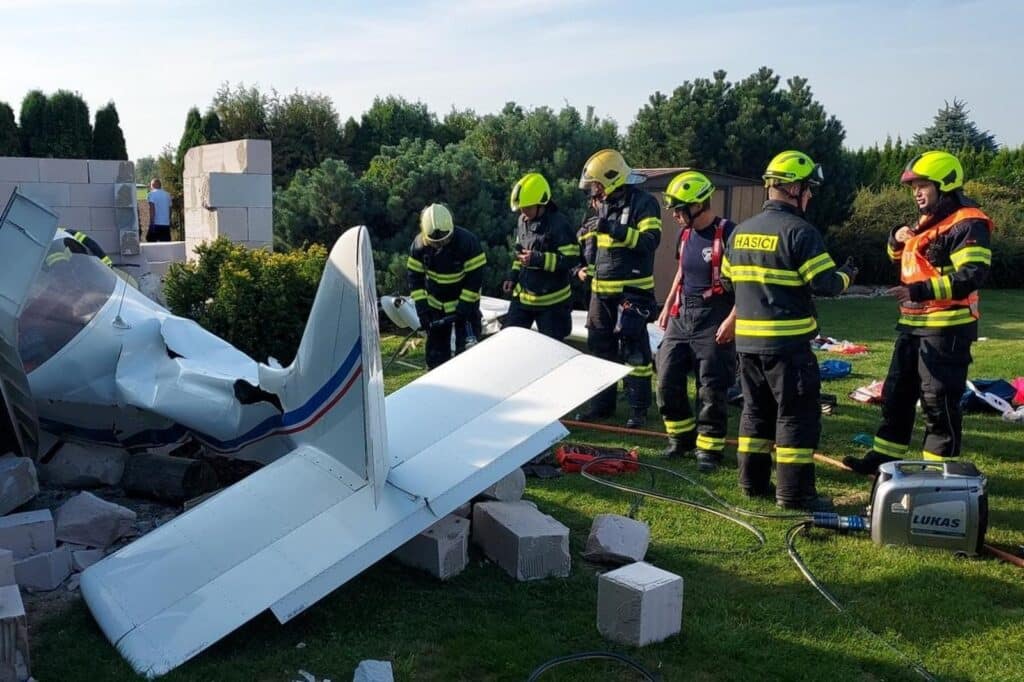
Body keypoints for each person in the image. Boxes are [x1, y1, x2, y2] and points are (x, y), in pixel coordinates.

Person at [721, 150, 857, 511]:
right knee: (796, 415)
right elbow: (825, 283)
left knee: (755, 411)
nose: (810, 196)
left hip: (748, 345)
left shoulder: (740, 233)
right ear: (793, 188)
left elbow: (726, 279)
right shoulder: (800, 232)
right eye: (808, 188)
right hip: (788, 346)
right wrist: (848, 274)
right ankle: (794, 494)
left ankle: (751, 483)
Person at [843, 151, 993, 475]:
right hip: (912, 326)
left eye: (923, 185)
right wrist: (895, 237)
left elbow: (971, 276)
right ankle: (884, 459)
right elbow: (901, 259)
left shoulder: (968, 222)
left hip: (947, 329)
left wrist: (919, 291)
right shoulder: (925, 223)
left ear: (945, 184)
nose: (917, 193)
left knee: (937, 402)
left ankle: (936, 471)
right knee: (896, 395)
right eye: (914, 187)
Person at [655, 171, 737, 472]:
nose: (675, 215)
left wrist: (732, 320)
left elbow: (746, 282)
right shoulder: (685, 234)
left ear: (699, 205)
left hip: (715, 313)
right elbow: (682, 272)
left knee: (711, 385)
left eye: (679, 209)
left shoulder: (728, 233)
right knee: (665, 376)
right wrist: (668, 304)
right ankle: (680, 439)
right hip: (682, 314)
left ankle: (709, 449)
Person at [575, 149, 662, 428]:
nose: (594, 192)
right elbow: (591, 242)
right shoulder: (601, 206)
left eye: (597, 185)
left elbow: (650, 241)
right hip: (600, 293)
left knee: (635, 353)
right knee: (600, 349)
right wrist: (583, 260)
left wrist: (612, 228)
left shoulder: (644, 203)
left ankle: (638, 410)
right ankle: (601, 407)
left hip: (632, 292)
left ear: (611, 179)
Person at [407, 203, 487, 369]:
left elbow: (475, 279)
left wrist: (464, 307)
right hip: (436, 308)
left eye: (444, 240)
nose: (440, 245)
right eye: (435, 243)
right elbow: (415, 279)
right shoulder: (419, 246)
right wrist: (422, 309)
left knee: (468, 356)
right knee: (435, 358)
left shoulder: (468, 243)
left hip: (465, 307)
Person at [502, 173, 579, 341]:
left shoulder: (559, 224)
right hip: (523, 299)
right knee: (508, 342)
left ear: (541, 203)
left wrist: (539, 259)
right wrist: (512, 277)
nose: (523, 212)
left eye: (527, 207)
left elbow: (571, 259)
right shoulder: (522, 221)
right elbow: (519, 253)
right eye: (521, 208)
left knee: (553, 352)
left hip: (553, 304)